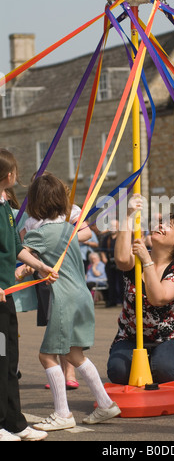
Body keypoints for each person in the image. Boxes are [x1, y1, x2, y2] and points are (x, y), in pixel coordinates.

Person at [21, 173, 120, 431]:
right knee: (73, 354)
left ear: (35, 203)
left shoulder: (39, 233)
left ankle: (63, 413)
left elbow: (25, 257)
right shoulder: (69, 228)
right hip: (82, 296)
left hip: (64, 300)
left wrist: (23, 270)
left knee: (46, 356)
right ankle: (106, 403)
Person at [0, 148, 58, 441]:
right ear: (9, 176)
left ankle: (14, 421)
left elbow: (16, 247)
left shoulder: (6, 210)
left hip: (5, 296)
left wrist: (40, 265)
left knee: (10, 359)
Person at [107, 195, 174, 385]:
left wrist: (147, 261)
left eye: (169, 226)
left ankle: (162, 363)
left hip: (169, 338)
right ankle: (146, 363)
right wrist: (128, 215)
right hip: (130, 337)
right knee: (118, 373)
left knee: (165, 370)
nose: (161, 226)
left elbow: (158, 298)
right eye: (161, 222)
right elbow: (122, 260)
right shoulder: (136, 259)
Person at [101, 219, 124, 308]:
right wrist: (103, 256)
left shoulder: (121, 237)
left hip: (120, 262)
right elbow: (102, 250)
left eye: (115, 226)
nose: (113, 228)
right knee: (111, 282)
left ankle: (122, 301)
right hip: (109, 262)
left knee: (122, 282)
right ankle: (112, 301)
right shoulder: (106, 238)